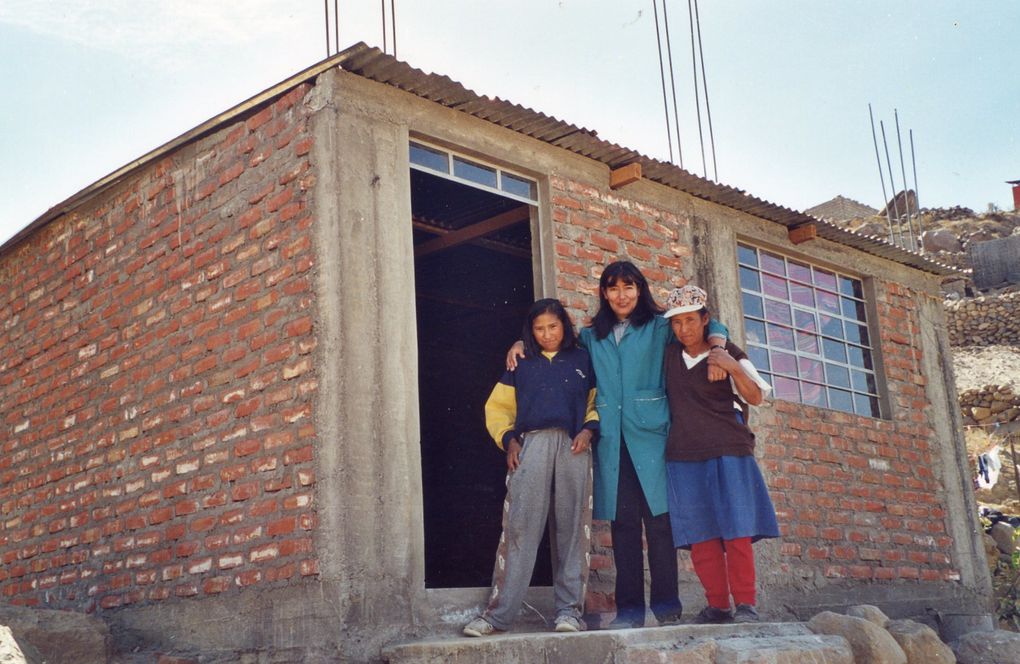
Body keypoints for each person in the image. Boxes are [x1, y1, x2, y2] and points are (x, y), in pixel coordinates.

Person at [508, 261, 728, 629]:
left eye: (628, 286)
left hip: (653, 436)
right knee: (623, 525)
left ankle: (667, 609)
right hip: (610, 439)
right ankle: (628, 612)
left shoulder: (661, 327)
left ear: (640, 289)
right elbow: (555, 340)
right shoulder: (593, 336)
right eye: (613, 288)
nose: (621, 295)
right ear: (604, 294)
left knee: (660, 525)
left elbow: (706, 325)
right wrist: (520, 343)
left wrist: (718, 345)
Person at [463, 298, 600, 636]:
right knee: (520, 526)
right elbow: (497, 408)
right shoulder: (521, 362)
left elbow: (596, 402)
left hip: (574, 445)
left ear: (564, 327)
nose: (547, 334)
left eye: (553, 327)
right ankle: (498, 616)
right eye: (539, 329)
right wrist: (509, 439)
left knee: (572, 529)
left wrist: (588, 429)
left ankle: (569, 613)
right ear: (530, 331)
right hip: (532, 444)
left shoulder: (582, 359)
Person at [661, 284, 780, 624]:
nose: (684, 329)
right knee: (700, 536)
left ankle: (745, 603)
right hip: (683, 454)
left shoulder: (729, 352)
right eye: (677, 323)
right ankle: (718, 605)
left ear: (705, 320)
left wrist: (731, 364)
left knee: (736, 530)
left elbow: (755, 396)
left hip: (730, 449)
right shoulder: (669, 355)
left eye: (690, 320)